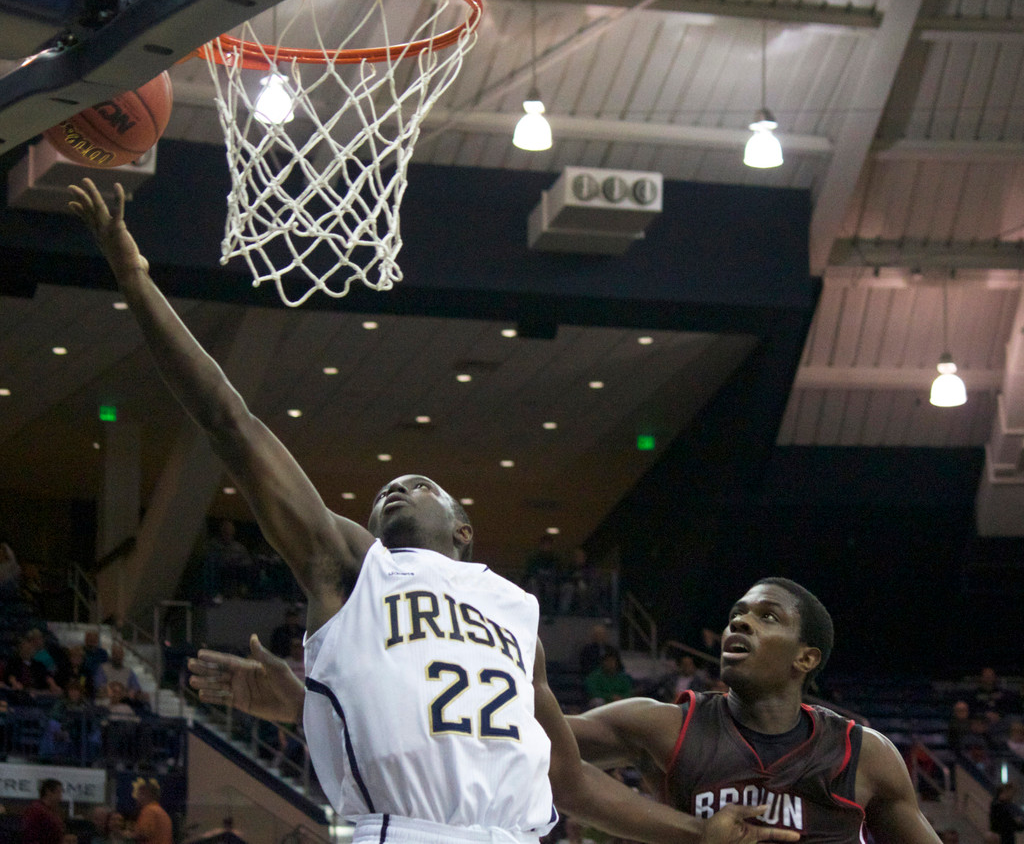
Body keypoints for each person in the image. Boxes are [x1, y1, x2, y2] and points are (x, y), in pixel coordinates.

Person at [71, 179, 795, 844]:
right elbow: (233, 425)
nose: (396, 484)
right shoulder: (354, 568)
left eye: (420, 482)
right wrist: (137, 284)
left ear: (464, 530)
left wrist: (698, 835)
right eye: (387, 485)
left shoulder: (517, 616)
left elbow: (568, 780)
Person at [563, 578, 946, 844]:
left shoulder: (865, 755)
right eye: (737, 614)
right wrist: (691, 832)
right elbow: (538, 752)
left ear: (805, 658)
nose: (739, 622)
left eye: (768, 617)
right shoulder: (665, 725)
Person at [21, 778, 74, 844]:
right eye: (58, 792)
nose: (60, 797)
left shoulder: (53, 811)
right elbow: (30, 835)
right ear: (48, 792)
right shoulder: (36, 810)